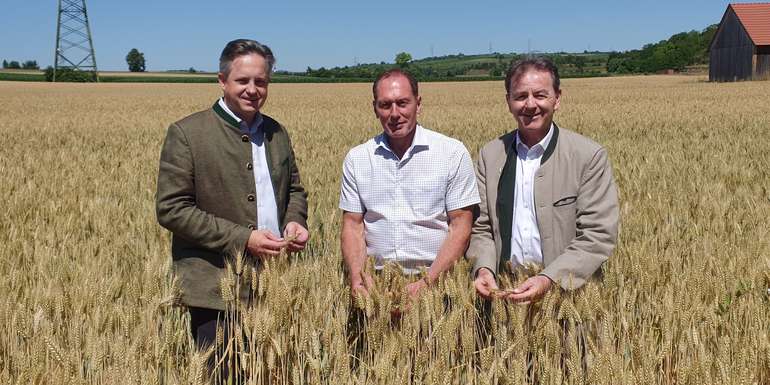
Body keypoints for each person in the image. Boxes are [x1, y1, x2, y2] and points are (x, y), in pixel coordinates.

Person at [156, 39, 308, 348]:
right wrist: (244, 239)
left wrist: (295, 220)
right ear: (222, 80)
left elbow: (293, 189)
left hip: (273, 283)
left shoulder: (276, 133)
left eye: (261, 81)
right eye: (243, 80)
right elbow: (172, 209)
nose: (253, 89)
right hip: (215, 291)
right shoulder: (188, 133)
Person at [468, 58, 619, 304]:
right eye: (520, 96)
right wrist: (484, 268)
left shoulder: (588, 156)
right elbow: (481, 227)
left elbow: (597, 234)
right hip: (505, 297)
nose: (530, 105)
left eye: (540, 95)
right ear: (508, 101)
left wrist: (549, 279)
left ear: (557, 99)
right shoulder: (490, 155)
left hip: (569, 300)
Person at [339, 69, 480, 299]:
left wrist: (427, 283)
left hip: (439, 284)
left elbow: (461, 226)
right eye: (385, 105)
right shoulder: (358, 158)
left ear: (418, 104)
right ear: (375, 108)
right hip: (377, 285)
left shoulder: (451, 153)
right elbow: (352, 226)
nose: (395, 113)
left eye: (403, 103)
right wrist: (358, 278)